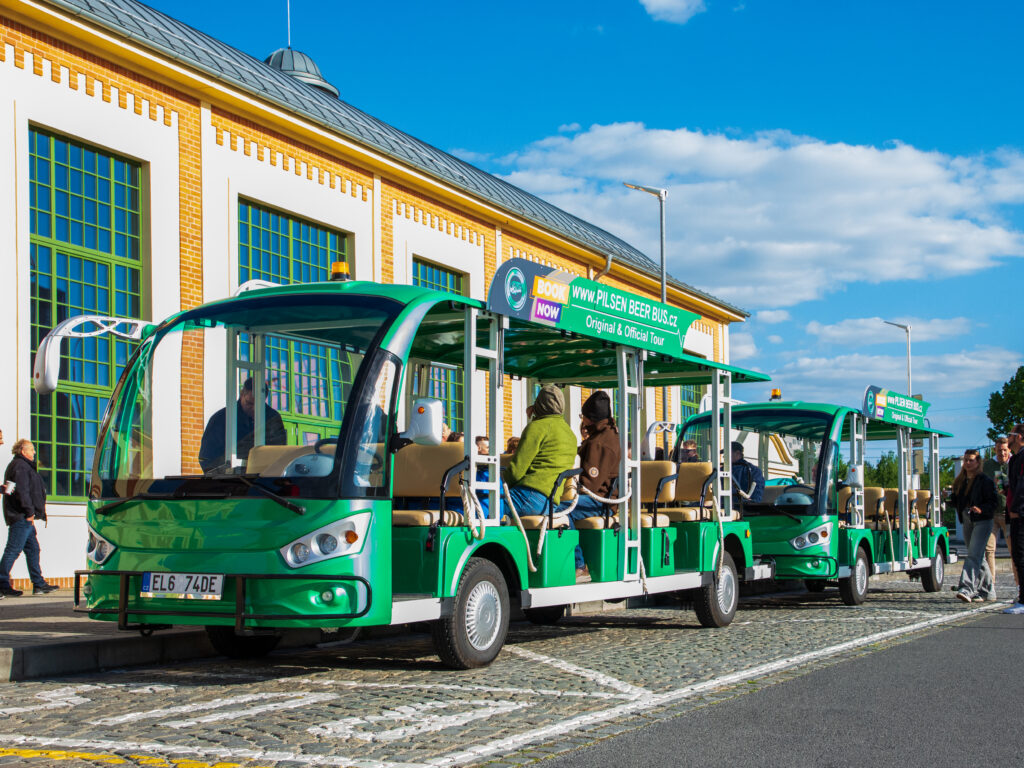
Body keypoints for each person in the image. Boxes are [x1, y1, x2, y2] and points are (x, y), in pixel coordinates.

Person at [564, 391, 620, 579]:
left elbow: (590, 483)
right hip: (603, 498)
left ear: (591, 418)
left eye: (584, 416)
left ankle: (578, 564)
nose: (583, 420)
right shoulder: (606, 435)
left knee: (560, 510)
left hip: (601, 501)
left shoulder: (600, 444)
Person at [501, 385, 577, 517]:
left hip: (528, 496)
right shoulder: (571, 434)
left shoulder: (536, 427)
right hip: (550, 503)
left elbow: (516, 472)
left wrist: (497, 481)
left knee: (482, 503)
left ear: (539, 404)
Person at [0, 439, 58, 596]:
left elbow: (10, 489)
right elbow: (22, 492)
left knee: (33, 549)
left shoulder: (20, 466)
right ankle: (2, 583)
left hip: (23, 515)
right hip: (22, 516)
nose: (34, 452)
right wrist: (29, 512)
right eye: (31, 449)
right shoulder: (20, 466)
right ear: (22, 451)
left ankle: (39, 584)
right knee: (13, 550)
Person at [198, 378, 286, 472]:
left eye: (259, 404)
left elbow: (279, 452)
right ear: (241, 394)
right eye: (249, 403)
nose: (254, 409)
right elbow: (207, 457)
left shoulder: (272, 418)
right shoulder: (221, 418)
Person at [951, 448, 998, 603]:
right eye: (966, 460)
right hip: (967, 518)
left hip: (983, 520)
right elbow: (958, 500)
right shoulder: (961, 481)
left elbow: (993, 502)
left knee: (973, 555)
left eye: (971, 460)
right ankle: (988, 591)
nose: (967, 463)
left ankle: (966, 588)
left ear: (978, 462)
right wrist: (949, 499)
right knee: (978, 556)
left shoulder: (985, 481)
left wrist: (981, 509)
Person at [983, 437, 1015, 589]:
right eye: (999, 450)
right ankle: (990, 586)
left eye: (1004, 450)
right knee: (989, 550)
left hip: (1009, 513)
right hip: (991, 513)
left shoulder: (1015, 463)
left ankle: (1019, 586)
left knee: (1014, 550)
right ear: (994, 450)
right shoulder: (988, 465)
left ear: (1009, 450)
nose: (1002, 453)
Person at [1004, 424, 1024, 614]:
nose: (1007, 438)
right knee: (1018, 556)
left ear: (1018, 437)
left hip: (1021, 513)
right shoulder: (1015, 459)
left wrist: (1017, 508)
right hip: (1014, 512)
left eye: (1010, 435)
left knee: (1021, 555)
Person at [730, 441, 764, 505]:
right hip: (726, 505)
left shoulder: (752, 470)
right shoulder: (723, 470)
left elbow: (755, 497)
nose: (724, 458)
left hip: (741, 508)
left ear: (737, 453)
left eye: (727, 454)